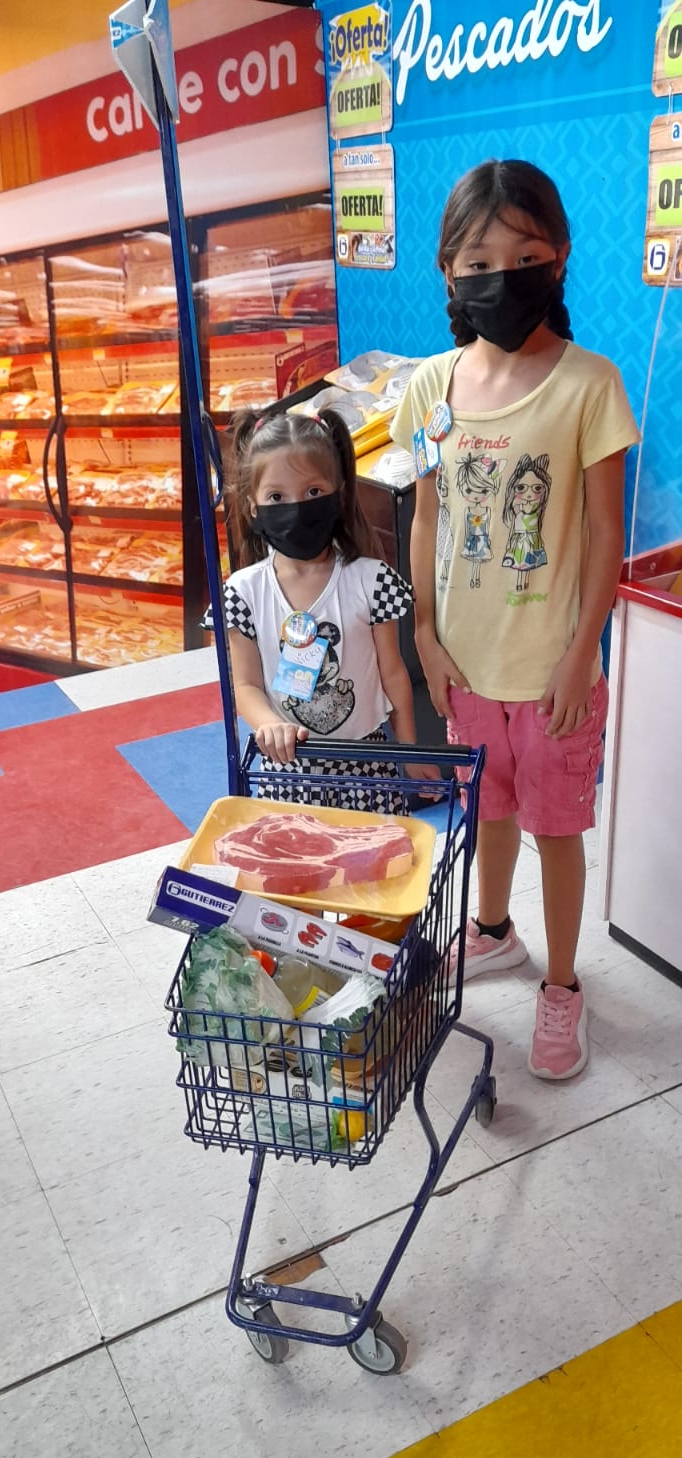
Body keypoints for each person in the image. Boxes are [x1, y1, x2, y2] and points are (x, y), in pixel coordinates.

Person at [391, 158, 640, 1082]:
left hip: (552, 672)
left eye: (526, 257)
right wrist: (424, 634)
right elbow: (425, 518)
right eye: (480, 261)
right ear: (448, 270)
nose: (503, 276)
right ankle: (493, 930)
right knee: (487, 808)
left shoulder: (590, 384)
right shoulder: (430, 387)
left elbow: (607, 535)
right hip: (464, 664)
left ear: (561, 257)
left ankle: (563, 985)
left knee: (556, 829)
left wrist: (581, 656)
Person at [206, 406, 438, 812]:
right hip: (287, 770)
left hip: (369, 767)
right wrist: (269, 725)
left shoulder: (372, 581)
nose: (296, 507)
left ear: (339, 494)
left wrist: (409, 749)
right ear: (253, 506)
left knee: (373, 855)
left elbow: (393, 672)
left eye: (313, 492)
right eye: (276, 497)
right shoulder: (242, 593)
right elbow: (244, 684)